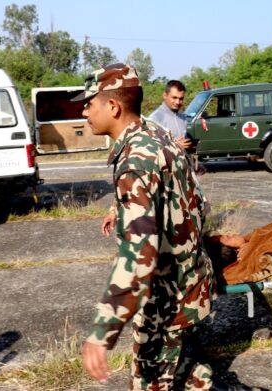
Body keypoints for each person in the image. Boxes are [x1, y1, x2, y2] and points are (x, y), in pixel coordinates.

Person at [76, 64, 215, 390]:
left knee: (150, 383)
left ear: (113, 106)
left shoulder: (136, 158)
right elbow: (199, 203)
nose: (84, 111)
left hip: (167, 299)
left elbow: (140, 255)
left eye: (89, 103)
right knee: (183, 369)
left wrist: (102, 332)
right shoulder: (155, 136)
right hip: (191, 284)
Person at [148, 80, 193, 152]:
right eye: (174, 98)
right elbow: (150, 146)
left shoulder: (183, 118)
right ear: (165, 95)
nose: (177, 102)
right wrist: (175, 145)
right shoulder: (155, 118)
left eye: (181, 99)